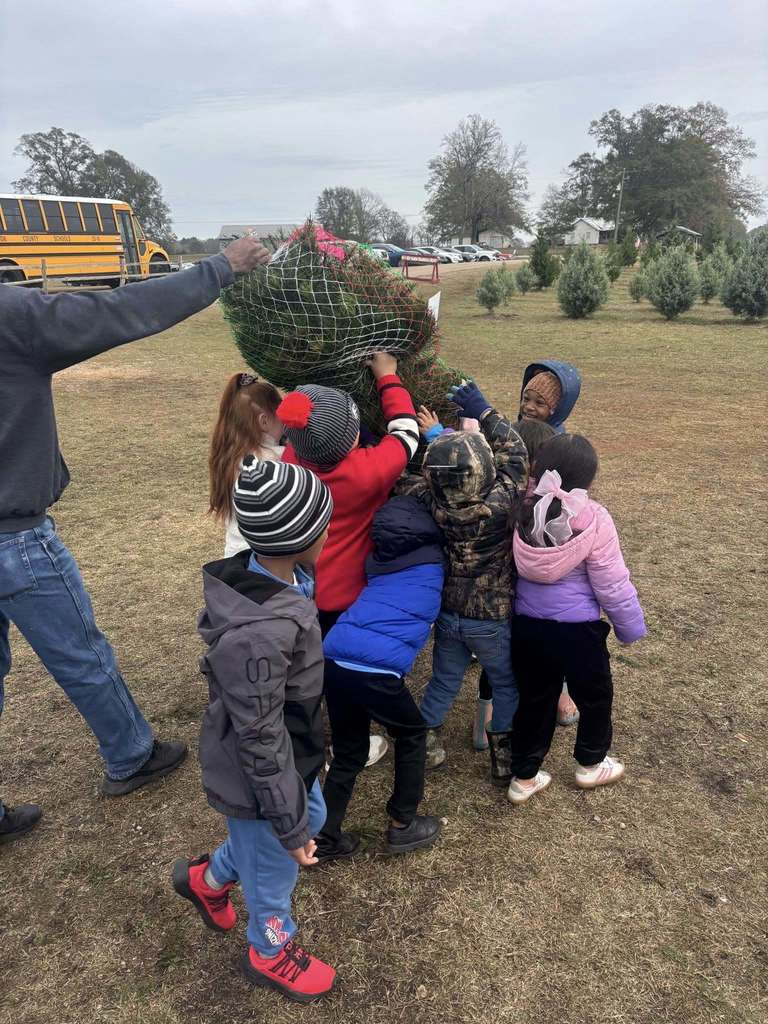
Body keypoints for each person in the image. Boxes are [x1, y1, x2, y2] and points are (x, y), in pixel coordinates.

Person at [0, 235, 270, 842]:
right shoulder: (10, 318)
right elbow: (120, 311)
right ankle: (131, 755)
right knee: (80, 653)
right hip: (12, 538)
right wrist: (221, 269)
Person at [172, 458, 337, 1003]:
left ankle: (210, 879)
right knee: (274, 871)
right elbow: (260, 739)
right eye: (324, 524)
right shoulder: (260, 634)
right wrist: (285, 828)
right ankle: (270, 951)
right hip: (257, 775)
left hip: (289, 753)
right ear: (300, 538)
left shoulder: (282, 579)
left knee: (311, 814)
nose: (330, 530)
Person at [279, 352, 420, 765]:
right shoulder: (365, 472)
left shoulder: (292, 464)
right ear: (351, 438)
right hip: (349, 597)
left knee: (310, 669)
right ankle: (348, 744)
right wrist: (388, 378)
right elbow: (407, 433)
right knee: (343, 672)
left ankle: (310, 740)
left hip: (303, 594)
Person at [506, 433, 646, 804]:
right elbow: (612, 582)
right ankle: (590, 763)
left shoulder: (521, 508)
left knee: (534, 701)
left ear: (539, 469)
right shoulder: (596, 519)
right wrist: (630, 627)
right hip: (579, 633)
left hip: (528, 628)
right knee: (595, 697)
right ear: (589, 480)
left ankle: (523, 775)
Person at [407, 380, 528, 786]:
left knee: (444, 679)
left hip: (449, 613)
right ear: (488, 470)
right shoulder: (502, 500)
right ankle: (503, 756)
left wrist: (425, 436)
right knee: (506, 682)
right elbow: (517, 452)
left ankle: (425, 742)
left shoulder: (431, 500)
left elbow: (415, 477)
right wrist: (486, 411)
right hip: (491, 620)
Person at [317, 495, 445, 862]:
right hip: (376, 671)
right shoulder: (434, 564)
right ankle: (404, 823)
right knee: (411, 732)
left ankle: (325, 836)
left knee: (349, 750)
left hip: (335, 655)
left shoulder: (376, 563)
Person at [208, 373, 284, 557]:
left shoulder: (229, 455)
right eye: (281, 415)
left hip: (235, 553)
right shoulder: (270, 461)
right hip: (263, 559)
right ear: (264, 421)